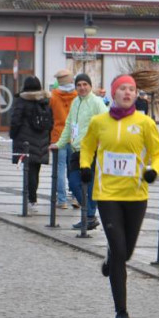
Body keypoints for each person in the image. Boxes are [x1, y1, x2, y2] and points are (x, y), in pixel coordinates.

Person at [79, 74, 159, 318]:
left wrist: (154, 171)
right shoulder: (99, 122)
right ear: (114, 94)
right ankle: (121, 312)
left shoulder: (145, 122)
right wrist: (85, 166)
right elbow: (87, 146)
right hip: (107, 194)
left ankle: (111, 258)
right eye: (123, 89)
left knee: (125, 253)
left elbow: (158, 152)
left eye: (132, 89)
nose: (128, 92)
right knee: (119, 250)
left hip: (136, 195)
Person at [54, 72, 107, 230]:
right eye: (79, 85)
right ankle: (90, 215)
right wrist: (59, 143)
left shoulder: (97, 102)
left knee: (87, 185)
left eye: (85, 84)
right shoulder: (75, 102)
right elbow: (69, 125)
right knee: (74, 182)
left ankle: (89, 216)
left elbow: (106, 123)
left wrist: (99, 141)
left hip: (91, 150)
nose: (82, 87)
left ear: (90, 86)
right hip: (76, 149)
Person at [9, 75, 53, 213]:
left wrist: (13, 134)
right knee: (36, 170)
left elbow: (15, 120)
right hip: (41, 140)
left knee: (28, 171)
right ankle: (32, 199)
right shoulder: (45, 100)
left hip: (25, 140)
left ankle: (30, 198)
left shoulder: (21, 101)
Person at [49, 69, 77, 206]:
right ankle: (76, 197)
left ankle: (62, 200)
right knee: (73, 167)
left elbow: (49, 117)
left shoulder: (53, 96)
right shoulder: (77, 96)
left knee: (59, 168)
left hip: (58, 135)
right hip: (74, 136)